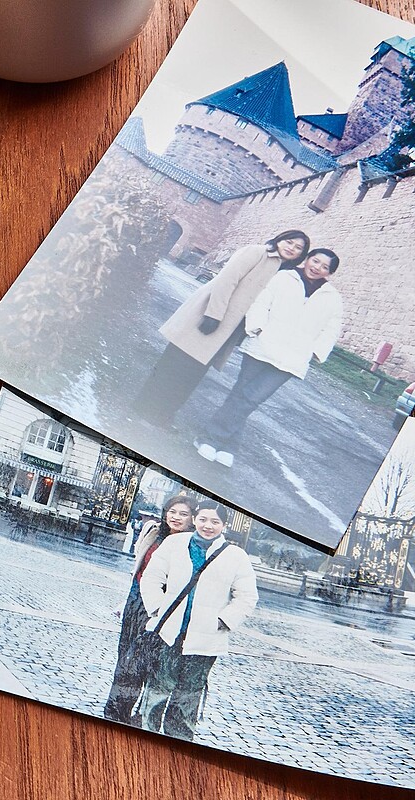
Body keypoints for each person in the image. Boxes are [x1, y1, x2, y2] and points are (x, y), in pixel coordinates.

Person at [133, 230, 309, 425]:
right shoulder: (257, 252)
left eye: (298, 248)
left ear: (301, 255)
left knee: (193, 374)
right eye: (289, 242)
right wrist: (213, 314)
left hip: (228, 330)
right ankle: (145, 408)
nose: (292, 248)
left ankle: (164, 414)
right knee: (174, 365)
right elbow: (227, 280)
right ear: (280, 239)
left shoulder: (283, 273)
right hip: (209, 317)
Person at [195, 248, 343, 467]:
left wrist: (315, 352)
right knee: (242, 395)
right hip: (262, 347)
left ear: (329, 273)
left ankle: (211, 438)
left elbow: (331, 329)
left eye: (324, 267)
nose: (317, 268)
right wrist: (257, 327)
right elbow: (261, 302)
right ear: (307, 259)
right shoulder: (284, 278)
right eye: (315, 261)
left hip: (292, 359)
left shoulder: (332, 298)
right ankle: (224, 445)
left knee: (252, 398)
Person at [139, 500, 258, 741]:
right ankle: (145, 737)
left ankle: (178, 745)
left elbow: (247, 596)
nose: (208, 526)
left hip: (204, 641)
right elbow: (151, 577)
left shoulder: (235, 556)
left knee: (188, 699)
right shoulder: (174, 543)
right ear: (194, 519)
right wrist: (157, 607)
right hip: (168, 634)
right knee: (157, 691)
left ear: (223, 525)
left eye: (215, 521)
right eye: (203, 519)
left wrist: (223, 621)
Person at [103, 494, 196, 724]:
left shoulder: (192, 545)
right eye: (172, 512)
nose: (176, 517)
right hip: (135, 602)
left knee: (144, 666)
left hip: (161, 610)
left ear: (192, 518)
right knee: (125, 660)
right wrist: (126, 601)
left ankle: (135, 716)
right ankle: (116, 714)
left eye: (183, 514)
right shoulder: (153, 532)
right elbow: (140, 569)